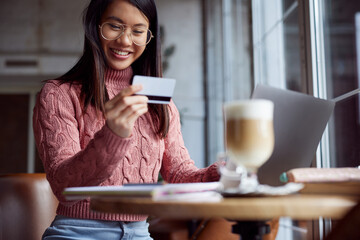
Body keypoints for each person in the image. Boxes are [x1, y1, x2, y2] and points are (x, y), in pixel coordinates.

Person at [33, 0, 223, 239]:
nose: (125, 41)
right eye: (114, 26)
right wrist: (113, 133)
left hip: (140, 232)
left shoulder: (160, 103)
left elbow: (180, 174)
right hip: (78, 231)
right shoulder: (59, 94)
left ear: (149, 37)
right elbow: (64, 186)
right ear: (95, 26)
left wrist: (226, 173)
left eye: (138, 31)